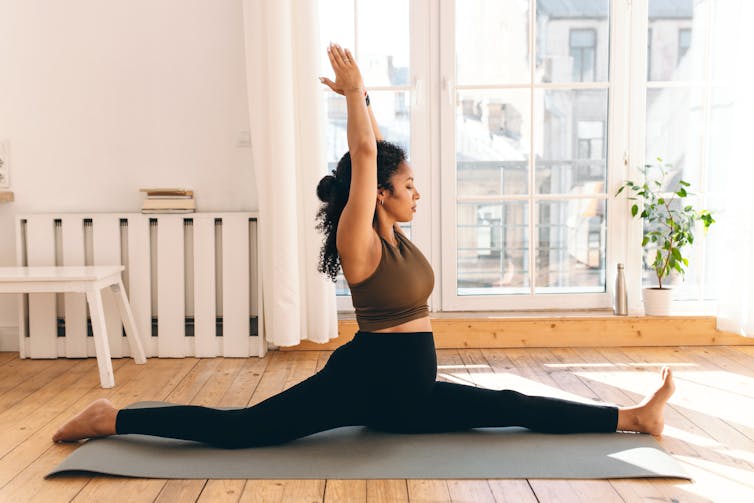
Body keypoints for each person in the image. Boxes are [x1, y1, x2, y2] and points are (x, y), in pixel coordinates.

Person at [53, 44, 675, 447]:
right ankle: (112, 417)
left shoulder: (393, 235)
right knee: (244, 430)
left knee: (509, 402)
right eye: (408, 187)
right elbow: (368, 156)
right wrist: (354, 94)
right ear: (378, 194)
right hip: (369, 383)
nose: (417, 195)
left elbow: (376, 153)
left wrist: (366, 103)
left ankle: (633, 418)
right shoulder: (361, 243)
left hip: (410, 396)